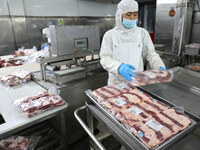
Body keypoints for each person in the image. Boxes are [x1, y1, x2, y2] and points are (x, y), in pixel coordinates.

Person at [100, 0, 166, 85]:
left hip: (137, 79)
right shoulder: (110, 35)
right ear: (120, 15)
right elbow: (105, 58)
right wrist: (119, 67)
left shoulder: (142, 33)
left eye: (135, 14)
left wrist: (158, 66)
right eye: (128, 14)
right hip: (116, 82)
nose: (132, 18)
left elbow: (150, 54)